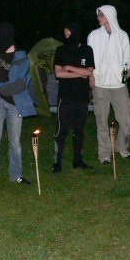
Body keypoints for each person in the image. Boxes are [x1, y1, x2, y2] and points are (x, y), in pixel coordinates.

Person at [0, 22, 36, 188]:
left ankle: (16, 175)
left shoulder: (21, 57)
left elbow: (18, 85)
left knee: (15, 143)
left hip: (15, 104)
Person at [87, 5, 130, 164]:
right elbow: (90, 58)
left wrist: (127, 68)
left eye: (101, 15)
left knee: (126, 120)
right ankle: (104, 154)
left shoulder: (122, 35)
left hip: (119, 84)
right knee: (101, 121)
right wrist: (91, 76)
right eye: (98, 15)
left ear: (110, 15)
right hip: (100, 84)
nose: (98, 17)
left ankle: (121, 147)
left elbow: (127, 58)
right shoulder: (94, 35)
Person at [51, 22, 95, 172]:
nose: (66, 36)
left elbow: (89, 72)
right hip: (65, 98)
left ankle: (78, 160)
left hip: (82, 98)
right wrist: (80, 73)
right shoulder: (61, 50)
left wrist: (69, 68)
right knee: (61, 131)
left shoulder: (87, 50)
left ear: (75, 33)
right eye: (65, 33)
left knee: (79, 130)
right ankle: (57, 162)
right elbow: (58, 73)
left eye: (69, 33)